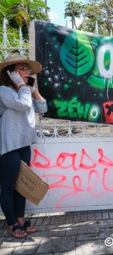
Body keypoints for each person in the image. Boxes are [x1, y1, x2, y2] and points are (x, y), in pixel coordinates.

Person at [0, 53, 47, 238]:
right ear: (12, 73)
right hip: (8, 147)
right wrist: (22, 86)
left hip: (24, 145)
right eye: (23, 69)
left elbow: (42, 108)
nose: (27, 72)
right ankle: (12, 223)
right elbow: (22, 105)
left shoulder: (24, 90)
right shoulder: (4, 90)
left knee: (22, 186)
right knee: (9, 186)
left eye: (28, 70)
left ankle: (21, 219)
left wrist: (32, 89)